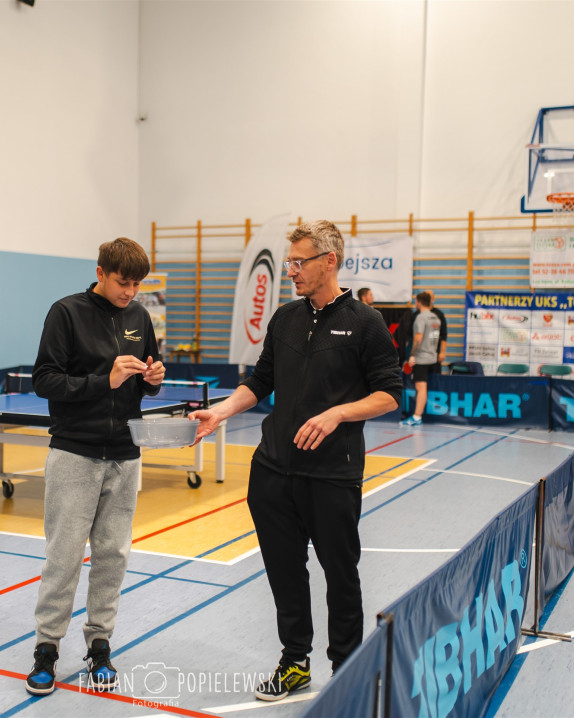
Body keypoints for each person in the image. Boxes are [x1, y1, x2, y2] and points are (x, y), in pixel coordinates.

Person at [189, 221, 401, 701]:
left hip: (331, 475)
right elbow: (260, 381)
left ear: (329, 261)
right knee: (284, 571)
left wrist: (337, 413)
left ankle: (347, 669)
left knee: (340, 574)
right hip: (273, 471)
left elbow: (390, 394)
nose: (291, 270)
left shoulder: (366, 322)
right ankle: (295, 661)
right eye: (289, 262)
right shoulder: (284, 317)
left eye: (299, 262)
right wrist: (221, 411)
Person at [25, 237, 165, 696]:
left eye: (137, 284)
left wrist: (153, 379)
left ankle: (99, 645)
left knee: (113, 556)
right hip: (75, 454)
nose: (130, 292)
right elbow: (45, 380)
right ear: (101, 272)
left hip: (125, 454)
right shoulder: (66, 313)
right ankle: (46, 648)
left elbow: (145, 381)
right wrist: (104, 380)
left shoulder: (139, 316)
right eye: (123, 282)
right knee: (64, 556)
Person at [401, 291, 442, 427]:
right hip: (432, 356)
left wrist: (412, 355)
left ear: (419, 302)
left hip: (422, 357)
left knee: (421, 388)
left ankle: (417, 416)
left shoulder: (420, 317)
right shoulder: (436, 318)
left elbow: (418, 337)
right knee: (423, 387)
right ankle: (417, 415)